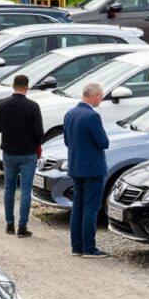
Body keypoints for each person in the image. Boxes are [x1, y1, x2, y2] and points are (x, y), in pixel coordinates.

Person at [0, 74, 44, 237]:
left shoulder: (2, 103)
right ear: (26, 87)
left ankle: (9, 224)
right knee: (26, 190)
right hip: (28, 153)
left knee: (9, 188)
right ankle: (22, 227)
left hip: (9, 152)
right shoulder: (33, 106)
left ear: (13, 86)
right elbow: (39, 134)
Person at [63, 81, 109, 258]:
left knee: (78, 205)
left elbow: (67, 141)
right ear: (95, 95)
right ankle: (89, 247)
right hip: (92, 168)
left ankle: (76, 246)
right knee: (90, 207)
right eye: (101, 96)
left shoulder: (70, 113)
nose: (101, 99)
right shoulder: (92, 116)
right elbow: (103, 142)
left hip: (75, 165)